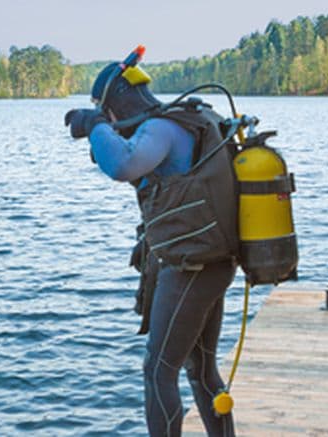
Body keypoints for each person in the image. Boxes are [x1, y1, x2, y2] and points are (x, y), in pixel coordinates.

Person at [65, 49, 237, 436]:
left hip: (189, 268)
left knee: (158, 370)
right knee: (201, 370)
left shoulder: (160, 129)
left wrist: (93, 125)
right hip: (215, 261)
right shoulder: (191, 119)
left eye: (107, 113)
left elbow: (124, 165)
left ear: (114, 105)